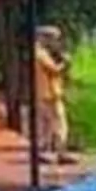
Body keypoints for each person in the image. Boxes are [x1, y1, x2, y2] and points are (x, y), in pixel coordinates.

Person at [31, 25, 75, 160]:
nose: (55, 43)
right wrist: (65, 63)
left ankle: (48, 151)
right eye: (53, 39)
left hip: (45, 93)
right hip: (49, 93)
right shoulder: (40, 54)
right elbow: (54, 70)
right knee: (59, 122)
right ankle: (60, 151)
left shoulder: (39, 53)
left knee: (48, 124)